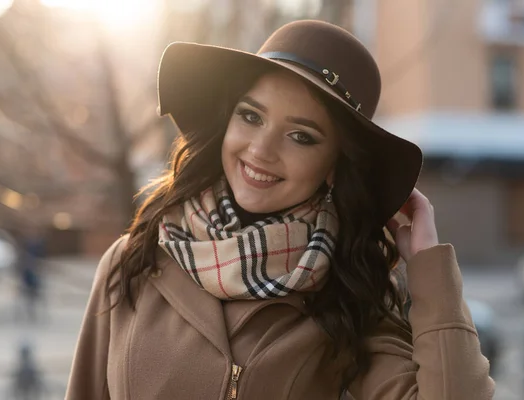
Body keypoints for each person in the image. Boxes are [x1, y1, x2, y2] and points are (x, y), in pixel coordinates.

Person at [66, 20, 495, 399]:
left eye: (301, 136)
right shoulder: (132, 262)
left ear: (333, 167)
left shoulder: (349, 298)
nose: (260, 150)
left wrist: (429, 268)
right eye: (251, 117)